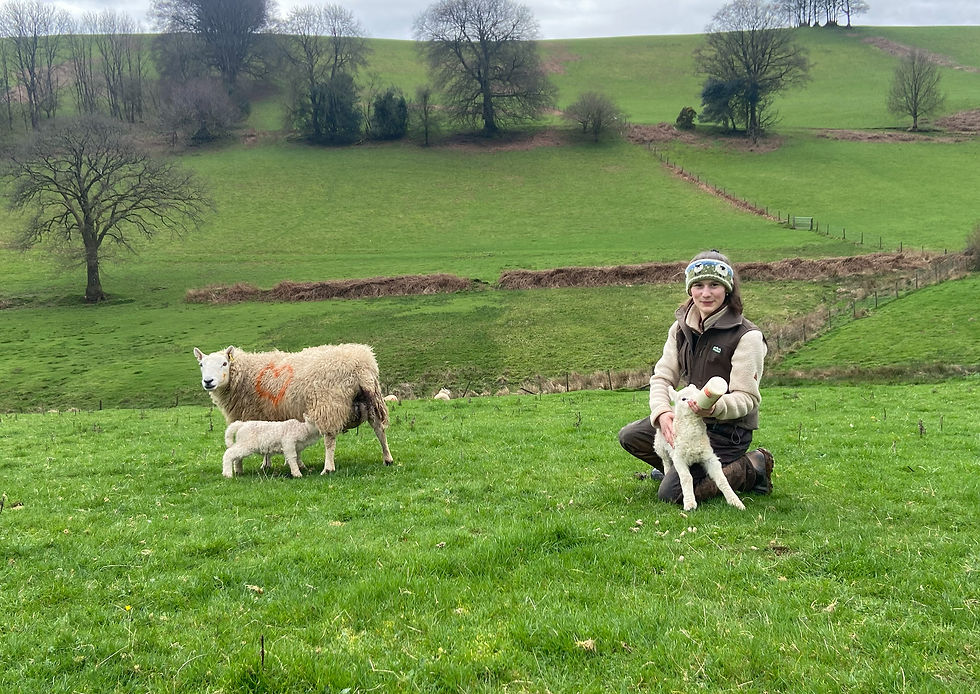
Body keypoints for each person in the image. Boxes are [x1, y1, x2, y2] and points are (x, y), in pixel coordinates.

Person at [619, 250, 774, 505]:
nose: (706, 293)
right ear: (690, 288)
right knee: (631, 436)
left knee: (671, 495)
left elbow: (748, 398)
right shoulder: (680, 329)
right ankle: (684, 468)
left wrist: (715, 407)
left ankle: (752, 467)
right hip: (687, 423)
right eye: (698, 285)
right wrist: (662, 413)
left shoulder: (747, 336)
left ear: (728, 289)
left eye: (714, 285)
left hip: (727, 430)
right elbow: (662, 377)